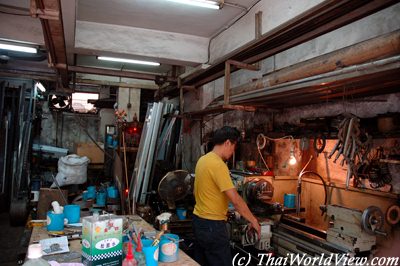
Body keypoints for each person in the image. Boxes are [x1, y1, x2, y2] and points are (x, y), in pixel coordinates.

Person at [192, 126, 261, 266]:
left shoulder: (203, 160)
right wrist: (253, 220)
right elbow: (235, 199)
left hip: (199, 222)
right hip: (213, 227)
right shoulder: (218, 165)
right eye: (234, 147)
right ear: (228, 142)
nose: (233, 151)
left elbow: (199, 192)